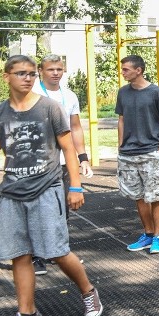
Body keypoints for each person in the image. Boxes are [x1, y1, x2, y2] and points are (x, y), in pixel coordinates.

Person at [0, 55, 102, 316]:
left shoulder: (50, 108)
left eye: (32, 73)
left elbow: (68, 148)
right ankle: (27, 314)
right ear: (7, 77)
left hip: (46, 188)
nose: (28, 78)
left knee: (56, 251)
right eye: (21, 73)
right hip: (11, 192)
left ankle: (88, 291)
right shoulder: (1, 112)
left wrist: (76, 186)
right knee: (19, 255)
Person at [31, 54, 94, 276]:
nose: (56, 73)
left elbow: (75, 128)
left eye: (59, 69)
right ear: (41, 70)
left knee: (62, 207)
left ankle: (56, 250)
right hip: (38, 161)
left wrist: (83, 157)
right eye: (51, 69)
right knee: (36, 206)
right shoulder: (32, 94)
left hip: (64, 161)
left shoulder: (69, 95)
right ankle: (36, 255)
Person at [116, 55, 159, 255]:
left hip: (150, 152)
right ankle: (148, 234)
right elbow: (121, 119)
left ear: (138, 70)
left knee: (155, 196)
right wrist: (120, 145)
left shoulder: (156, 93)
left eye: (126, 69)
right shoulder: (123, 92)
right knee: (138, 196)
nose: (122, 72)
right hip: (128, 153)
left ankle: (158, 237)